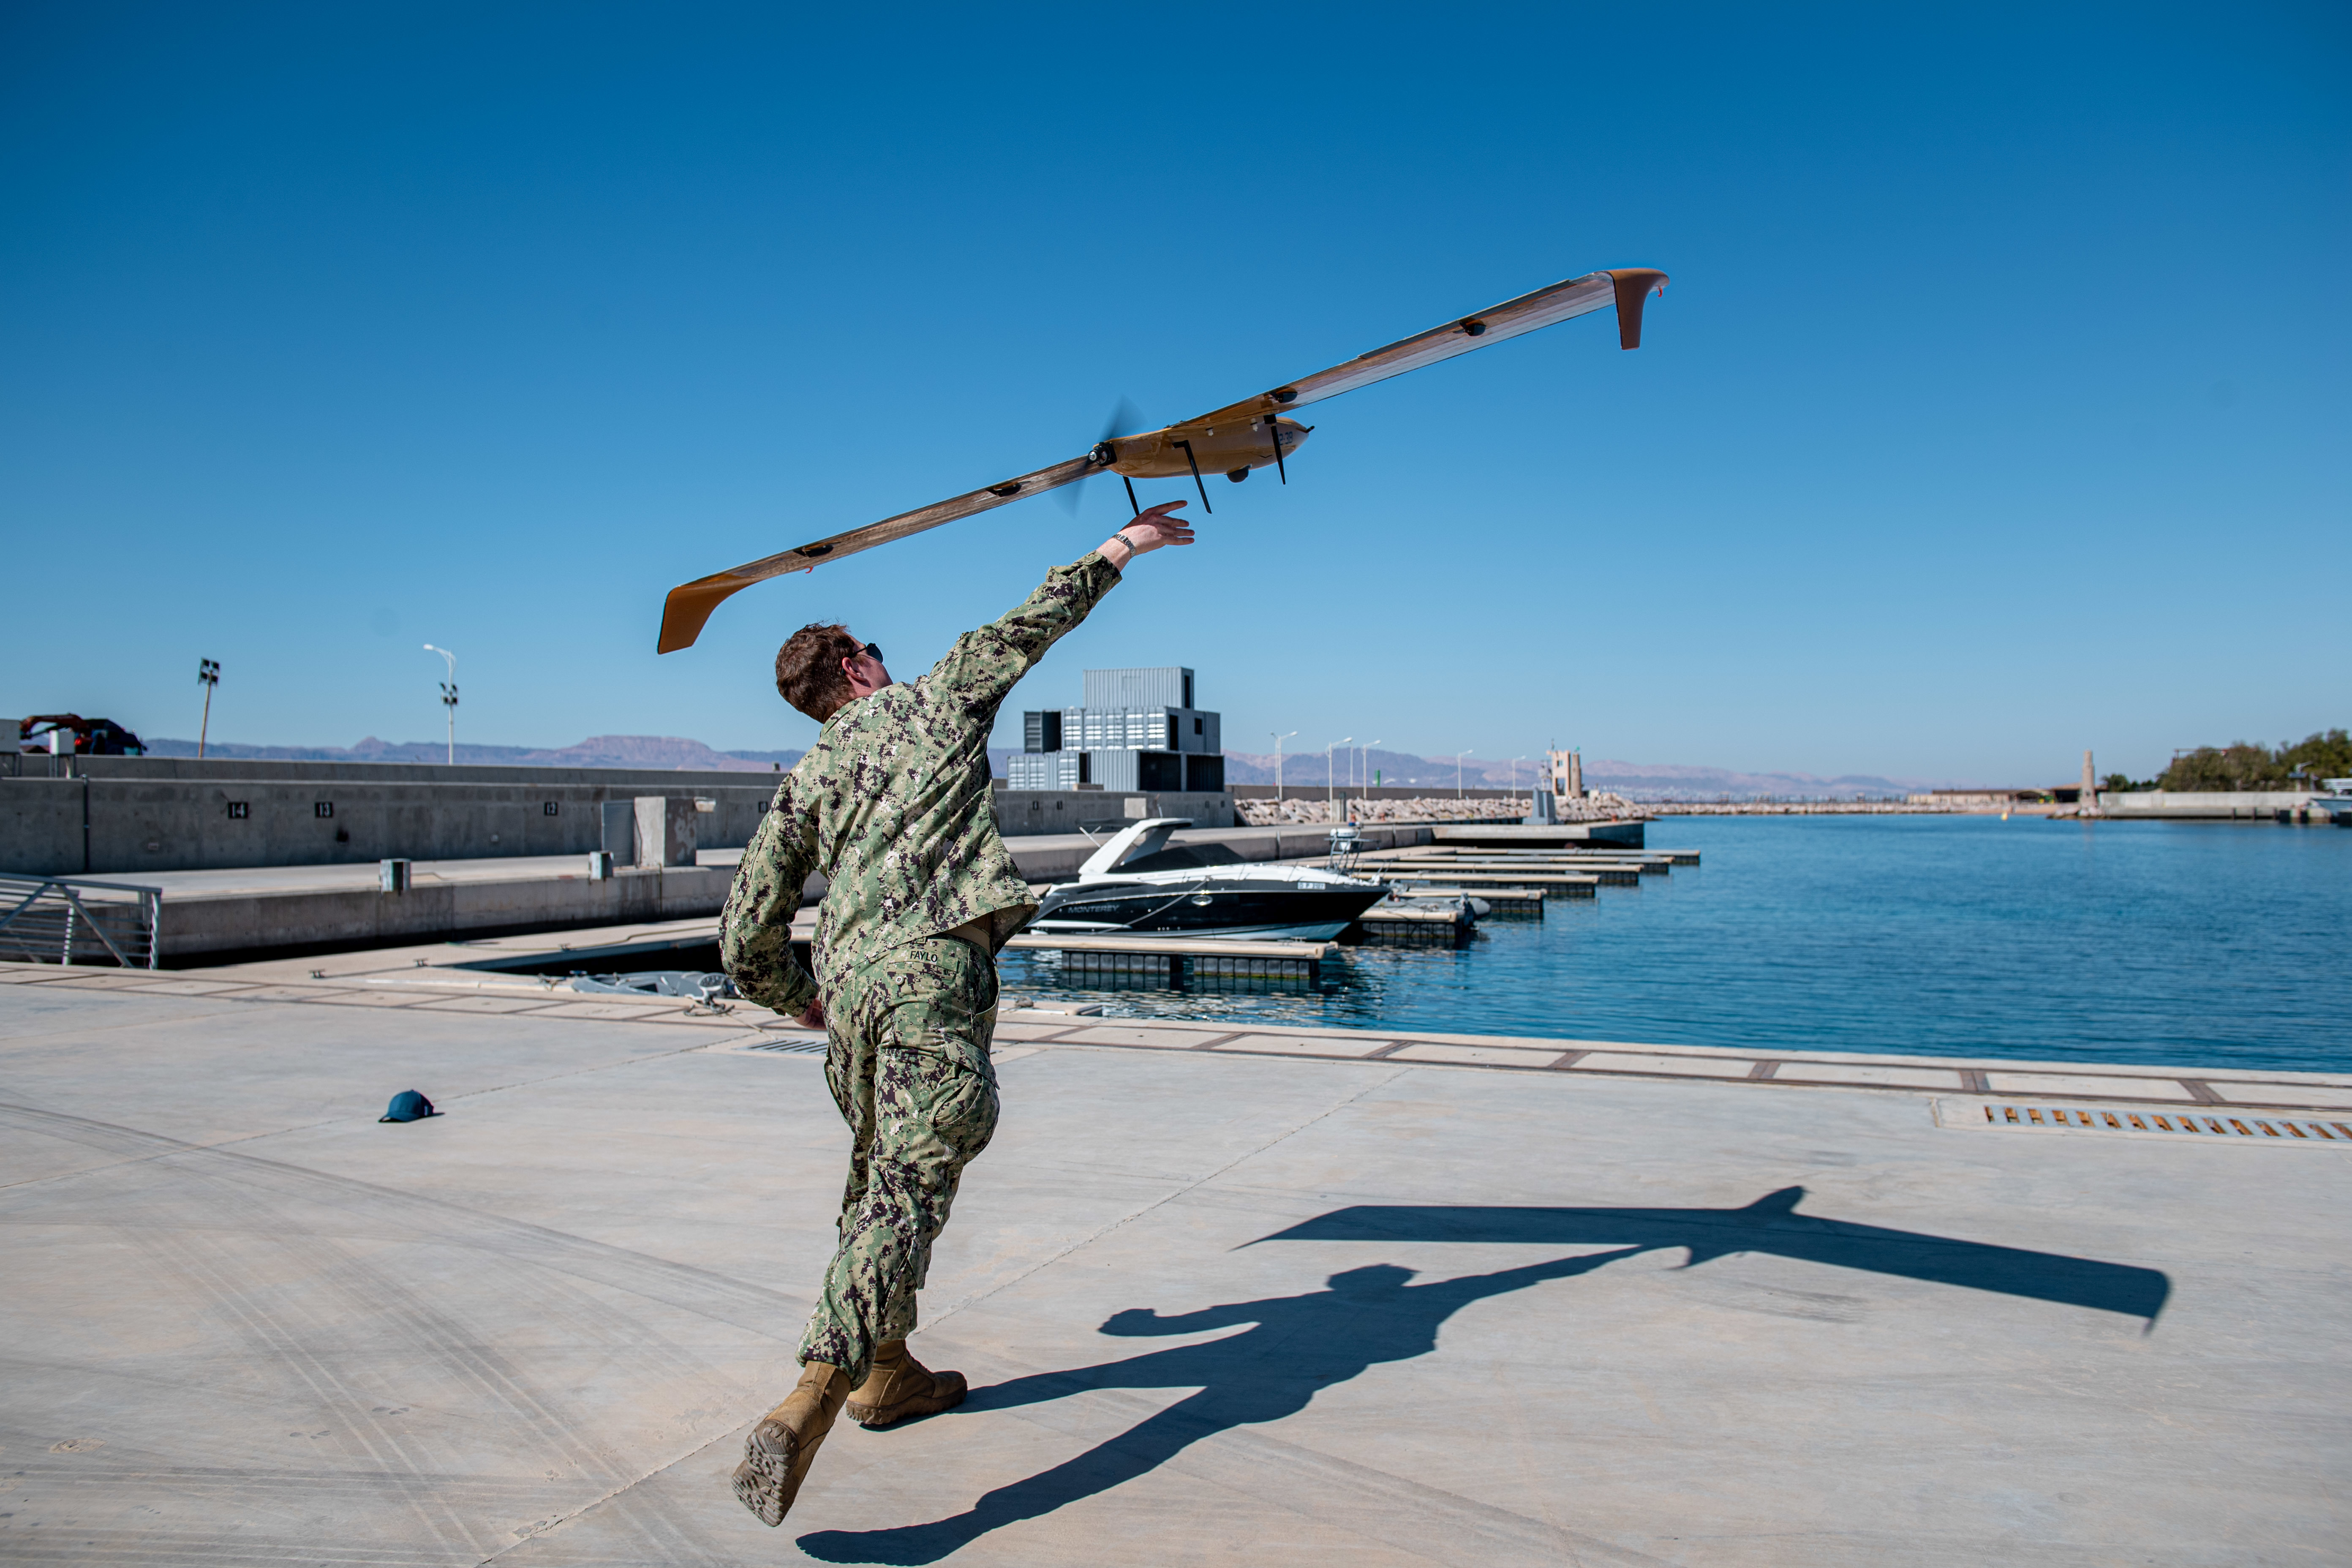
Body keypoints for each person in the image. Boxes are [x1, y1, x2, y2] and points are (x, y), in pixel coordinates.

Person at [719, 498, 1197, 1527]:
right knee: (906, 1181)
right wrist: (1126, 544)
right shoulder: (932, 704)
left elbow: (744, 929)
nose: (885, 660)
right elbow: (1028, 623)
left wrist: (797, 998)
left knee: (878, 1181)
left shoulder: (806, 779)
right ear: (853, 668)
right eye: (872, 650)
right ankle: (816, 1384)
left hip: (852, 1001)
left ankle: (890, 1370)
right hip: (934, 977)